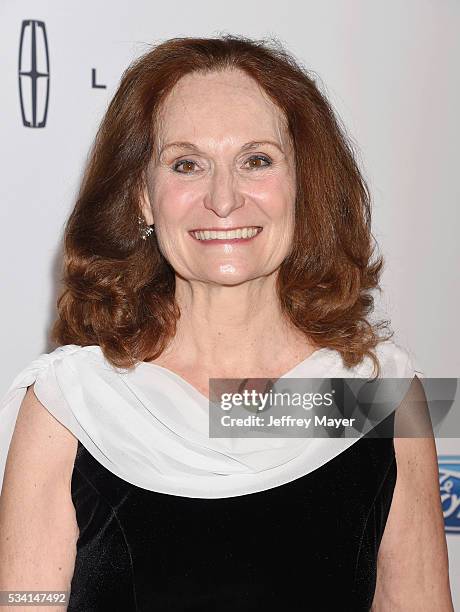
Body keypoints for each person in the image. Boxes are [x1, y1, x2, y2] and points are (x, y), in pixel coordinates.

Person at [0, 34, 453, 611]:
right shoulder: (70, 403)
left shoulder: (377, 397)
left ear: (303, 186)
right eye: (187, 164)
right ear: (144, 196)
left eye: (256, 160)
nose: (223, 198)